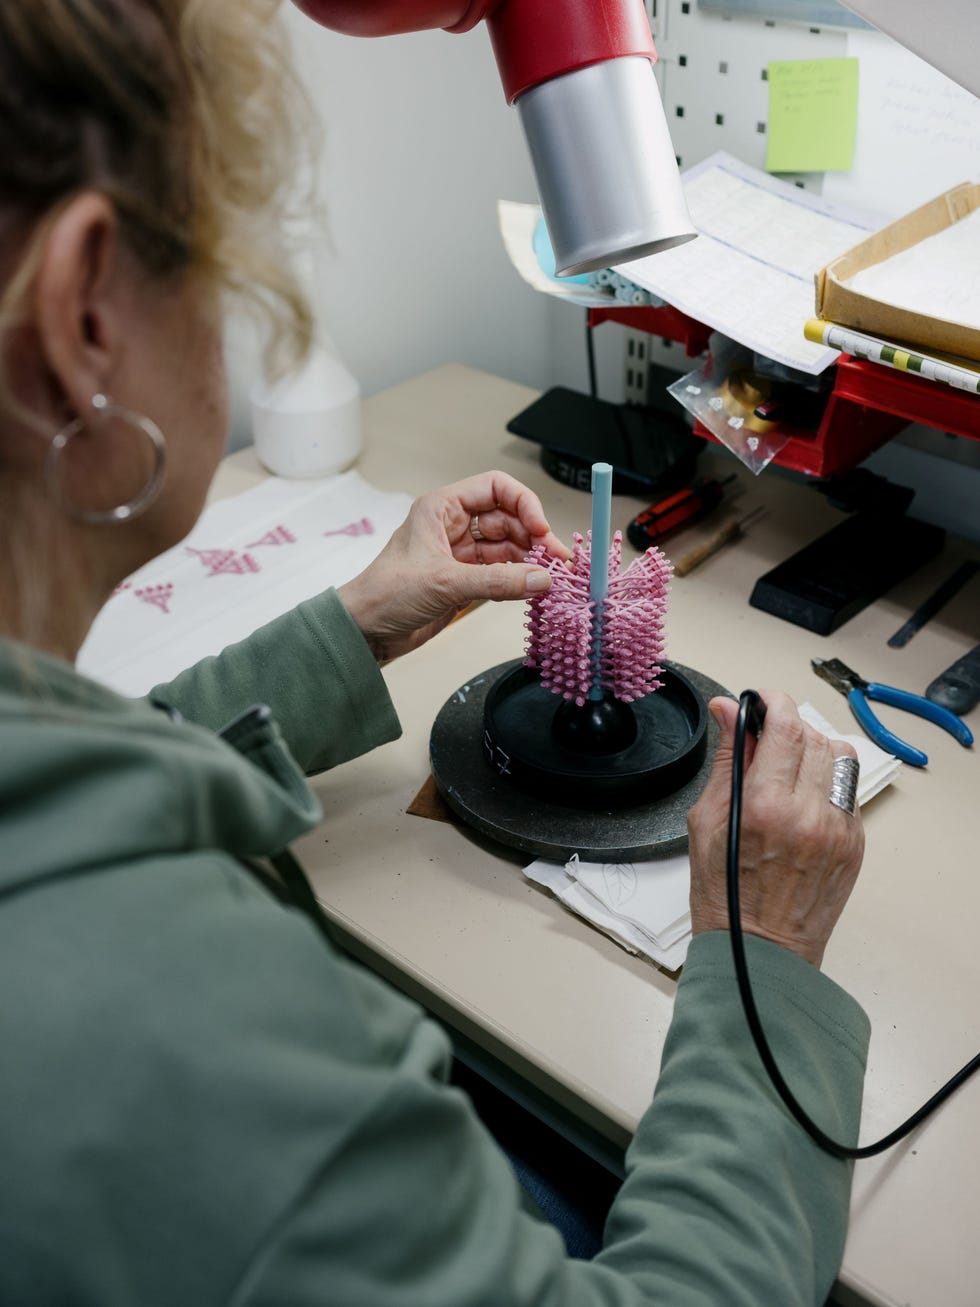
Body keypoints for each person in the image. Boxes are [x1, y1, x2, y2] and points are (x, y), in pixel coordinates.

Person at [0, 2, 868, 1305]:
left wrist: (352, 628)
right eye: (223, 261)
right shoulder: (191, 1031)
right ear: (82, 317)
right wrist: (761, 962)